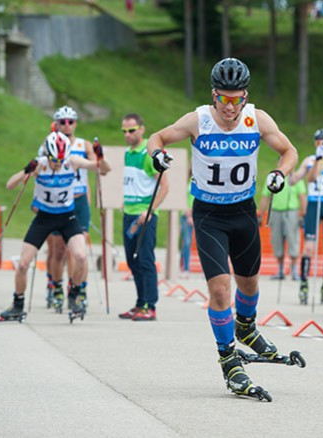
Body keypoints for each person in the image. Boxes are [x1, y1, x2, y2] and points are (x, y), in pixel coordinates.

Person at [147, 58, 298, 400]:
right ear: (213, 95)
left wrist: (279, 173)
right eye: (224, 99)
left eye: (237, 99)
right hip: (209, 215)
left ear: (245, 97)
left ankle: (246, 327)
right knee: (220, 290)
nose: (230, 107)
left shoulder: (256, 119)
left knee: (250, 281)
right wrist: (156, 155)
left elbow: (289, 151)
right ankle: (229, 360)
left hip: (243, 212)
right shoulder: (198, 120)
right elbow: (157, 137)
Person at [0, 131, 109, 318]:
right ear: (47, 156)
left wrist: (101, 157)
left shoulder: (72, 162)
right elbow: (10, 185)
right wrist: (26, 170)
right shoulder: (40, 165)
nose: (58, 165)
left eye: (61, 160)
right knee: (24, 263)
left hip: (67, 216)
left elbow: (103, 170)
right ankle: (17, 304)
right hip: (44, 217)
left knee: (81, 257)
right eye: (54, 161)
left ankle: (74, 295)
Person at [43, 106, 100, 310]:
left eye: (70, 121)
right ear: (56, 124)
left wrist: (98, 155)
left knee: (77, 250)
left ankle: (77, 288)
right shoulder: (49, 144)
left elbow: (96, 166)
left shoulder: (82, 144)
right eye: (62, 122)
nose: (67, 125)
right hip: (58, 201)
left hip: (79, 199)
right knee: (58, 250)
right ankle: (56, 287)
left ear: (75, 123)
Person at [118, 113, 169, 322]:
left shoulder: (148, 154)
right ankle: (140, 303)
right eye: (124, 131)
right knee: (132, 260)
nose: (127, 135)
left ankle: (150, 305)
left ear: (141, 129)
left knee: (146, 260)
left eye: (131, 130)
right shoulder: (128, 153)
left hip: (144, 216)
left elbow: (164, 187)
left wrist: (148, 212)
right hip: (129, 213)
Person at [290, 128, 323, 305]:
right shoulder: (310, 159)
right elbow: (295, 179)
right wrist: (289, 168)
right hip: (314, 203)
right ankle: (304, 284)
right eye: (319, 140)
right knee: (308, 247)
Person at [257, 171, 306, 281]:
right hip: (276, 211)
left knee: (293, 239)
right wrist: (261, 214)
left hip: (291, 211)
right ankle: (280, 269)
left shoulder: (296, 177)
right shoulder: (273, 178)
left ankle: (294, 270)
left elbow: (302, 196)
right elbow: (266, 196)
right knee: (276, 240)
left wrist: (303, 214)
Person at [180, 175, 194, 279]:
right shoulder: (186, 182)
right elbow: (183, 199)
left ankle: (182, 263)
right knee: (187, 241)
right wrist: (188, 214)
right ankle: (186, 268)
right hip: (186, 215)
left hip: (196, 215)